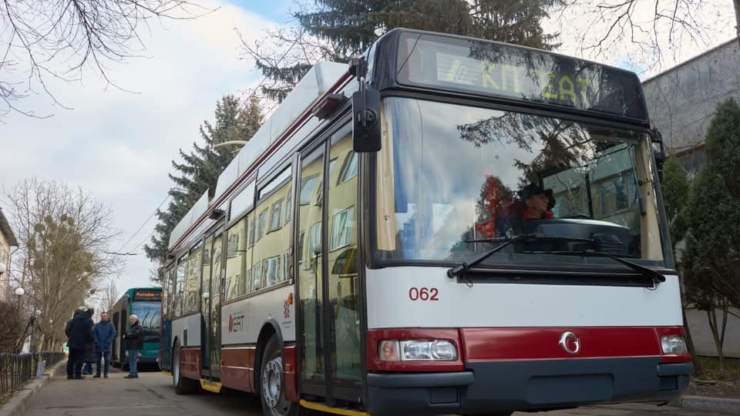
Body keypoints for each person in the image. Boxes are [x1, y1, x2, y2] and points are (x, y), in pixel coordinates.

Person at [65, 308, 93, 379]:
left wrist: (71, 336)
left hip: (72, 342)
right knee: (79, 359)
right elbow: (89, 332)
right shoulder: (88, 320)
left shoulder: (74, 319)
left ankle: (69, 374)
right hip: (81, 343)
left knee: (71, 359)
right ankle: (78, 374)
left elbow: (68, 330)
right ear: (91, 314)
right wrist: (89, 341)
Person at [93, 311, 116, 378]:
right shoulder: (97, 325)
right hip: (98, 345)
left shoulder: (110, 325)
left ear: (107, 316)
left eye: (105, 316)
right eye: (102, 316)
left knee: (107, 360)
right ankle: (98, 373)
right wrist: (96, 341)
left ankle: (105, 373)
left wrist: (109, 341)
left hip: (107, 345)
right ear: (101, 316)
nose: (103, 317)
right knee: (98, 361)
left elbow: (113, 333)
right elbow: (94, 334)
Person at [123, 314, 143, 379]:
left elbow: (135, 334)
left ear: (136, 319)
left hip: (134, 345)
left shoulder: (138, 326)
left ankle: (132, 373)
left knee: (132, 360)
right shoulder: (134, 326)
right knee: (133, 360)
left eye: (132, 319)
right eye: (130, 320)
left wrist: (126, 335)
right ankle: (134, 373)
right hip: (132, 345)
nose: (131, 321)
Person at [82, 309, 96, 375]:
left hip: (85, 341)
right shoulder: (90, 321)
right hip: (90, 342)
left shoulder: (84, 320)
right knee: (89, 357)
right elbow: (91, 332)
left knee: (89, 357)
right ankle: (85, 370)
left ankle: (90, 370)